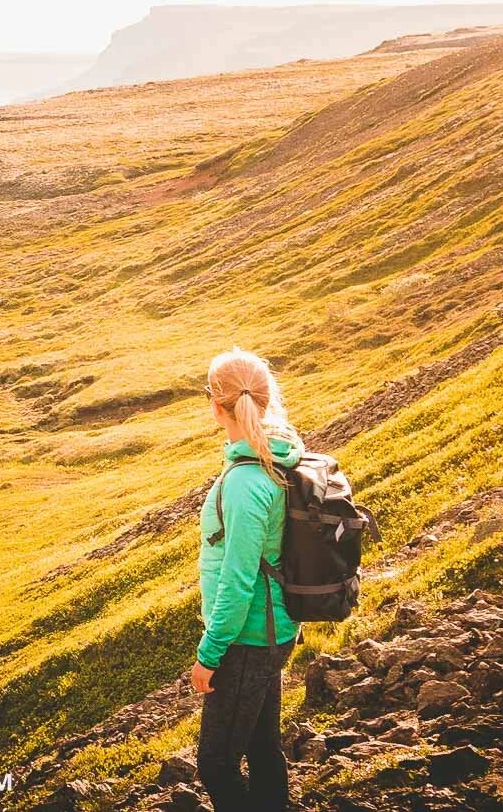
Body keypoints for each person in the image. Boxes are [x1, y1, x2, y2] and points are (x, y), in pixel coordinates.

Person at [190, 347, 304, 812]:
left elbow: (237, 581)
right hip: (274, 628)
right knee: (261, 745)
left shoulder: (244, 481)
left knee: (215, 764)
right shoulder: (276, 459)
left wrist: (209, 653)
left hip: (249, 637)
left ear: (217, 406)